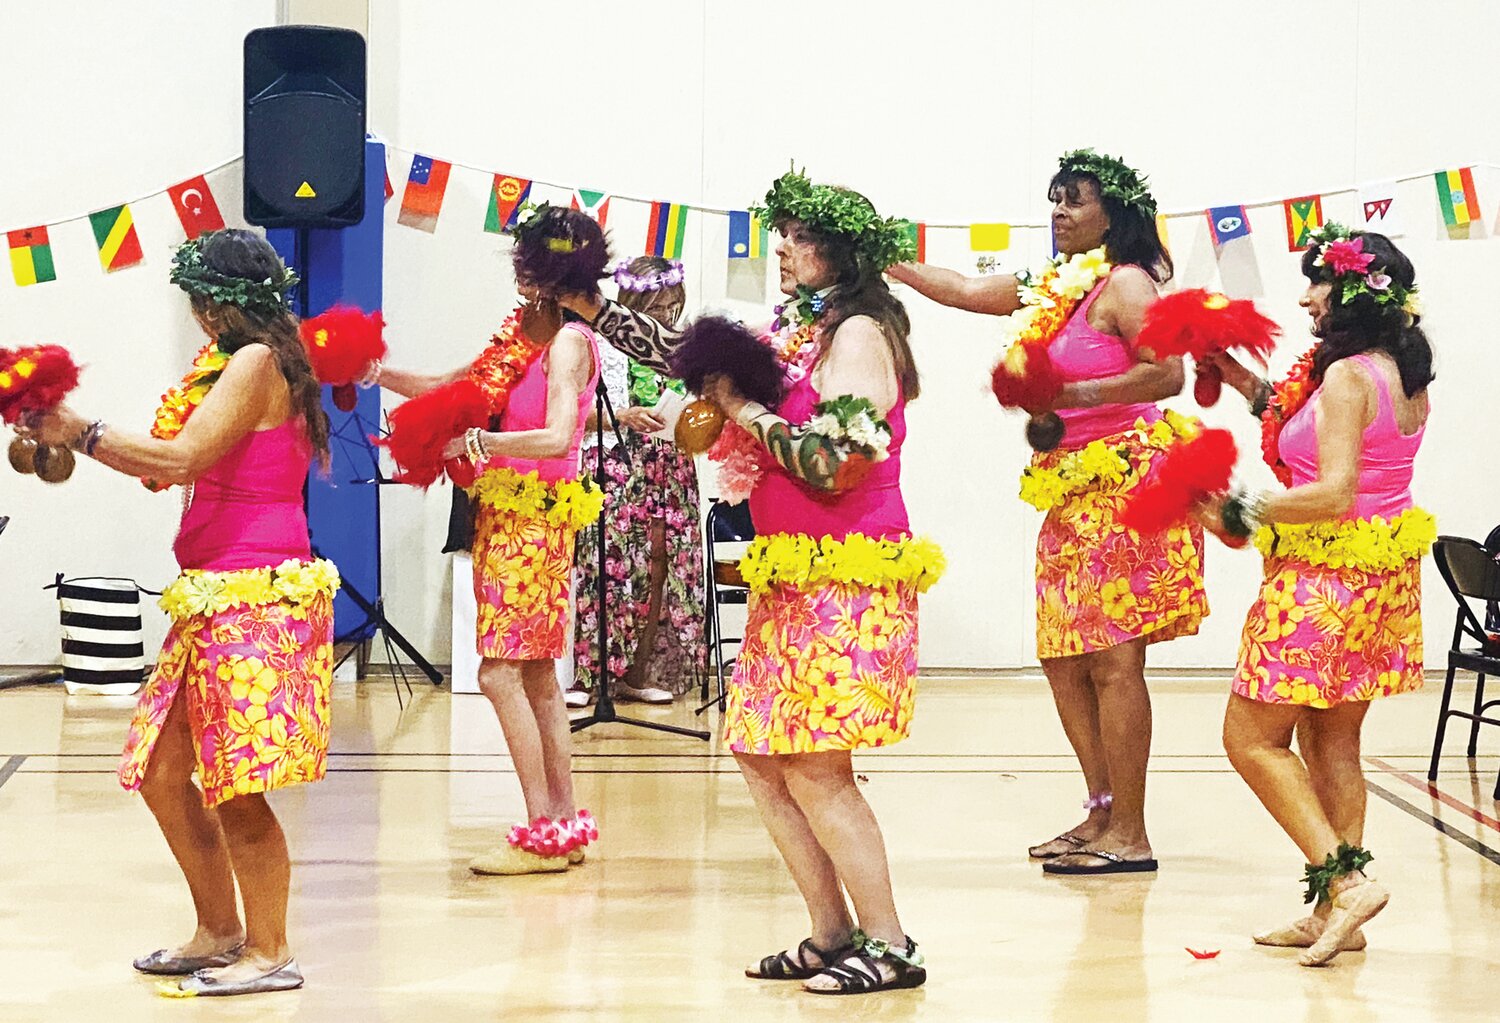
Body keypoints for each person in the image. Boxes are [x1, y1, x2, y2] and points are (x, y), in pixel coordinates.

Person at [17, 229, 336, 996]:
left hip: (254, 594)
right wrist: (53, 442)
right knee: (165, 772)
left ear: (220, 303)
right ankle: (220, 929)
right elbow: (162, 461)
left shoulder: (257, 363)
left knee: (235, 782)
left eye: (200, 302)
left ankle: (271, 949)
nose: (195, 316)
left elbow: (182, 459)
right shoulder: (224, 365)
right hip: (211, 595)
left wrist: (84, 431)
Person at [889, 149, 1207, 874]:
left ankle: (1131, 829)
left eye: (1075, 199)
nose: (1059, 210)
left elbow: (1169, 373)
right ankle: (1100, 812)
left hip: (1130, 484)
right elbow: (967, 288)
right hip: (1069, 488)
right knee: (1065, 657)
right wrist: (886, 258)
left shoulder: (1126, 283)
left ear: (1112, 214)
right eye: (1054, 198)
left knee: (1115, 660)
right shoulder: (1054, 286)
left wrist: (1066, 397)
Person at [701, 168, 942, 995]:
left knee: (816, 765)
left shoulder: (861, 336)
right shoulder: (809, 331)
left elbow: (836, 466)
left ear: (842, 250)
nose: (782, 247)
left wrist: (744, 413)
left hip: (848, 576)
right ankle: (832, 929)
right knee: (762, 753)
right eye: (784, 233)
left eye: (801, 236)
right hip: (792, 577)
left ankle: (891, 943)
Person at [1201, 225, 1433, 966]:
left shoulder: (1345, 377)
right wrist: (1243, 384)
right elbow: (1318, 437)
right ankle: (1338, 911)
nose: (1304, 296)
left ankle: (1348, 881)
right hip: (1380, 581)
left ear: (1353, 293)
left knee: (1251, 738)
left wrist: (1242, 505)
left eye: (1317, 283)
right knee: (1333, 740)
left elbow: (1332, 492)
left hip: (1323, 585)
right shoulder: (1398, 369)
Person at [373, 205, 606, 874]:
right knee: (532, 675)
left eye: (525, 258)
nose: (515, 268)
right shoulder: (522, 334)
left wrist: (481, 441)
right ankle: (561, 825)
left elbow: (560, 435)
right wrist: (376, 374)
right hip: (508, 516)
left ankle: (541, 829)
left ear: (546, 268)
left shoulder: (567, 342)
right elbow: (453, 386)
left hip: (533, 521)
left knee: (501, 670)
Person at [570, 257, 706, 705]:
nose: (666, 316)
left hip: (671, 464)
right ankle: (592, 677)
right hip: (619, 462)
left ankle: (639, 670)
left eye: (673, 307)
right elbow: (570, 413)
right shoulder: (597, 344)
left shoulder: (685, 349)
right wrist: (624, 417)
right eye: (657, 307)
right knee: (607, 569)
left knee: (660, 565)